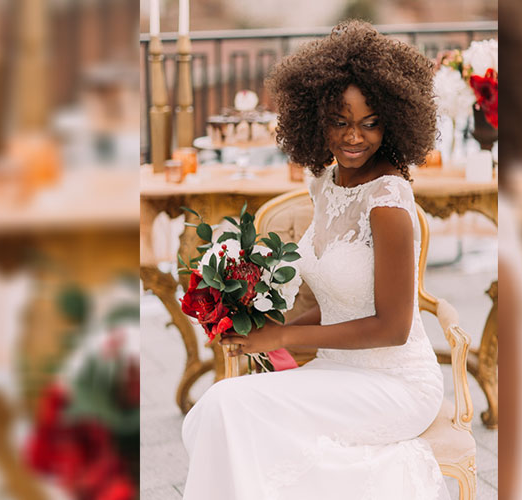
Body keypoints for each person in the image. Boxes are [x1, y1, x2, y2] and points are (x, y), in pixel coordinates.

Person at [181, 20, 450, 499]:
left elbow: (391, 326)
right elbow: (341, 298)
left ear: (393, 121)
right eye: (340, 121)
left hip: (395, 385)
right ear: (315, 118)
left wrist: (287, 334)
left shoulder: (387, 202)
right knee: (218, 410)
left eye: (370, 122)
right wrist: (262, 335)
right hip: (337, 370)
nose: (354, 137)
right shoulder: (326, 182)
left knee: (228, 407)